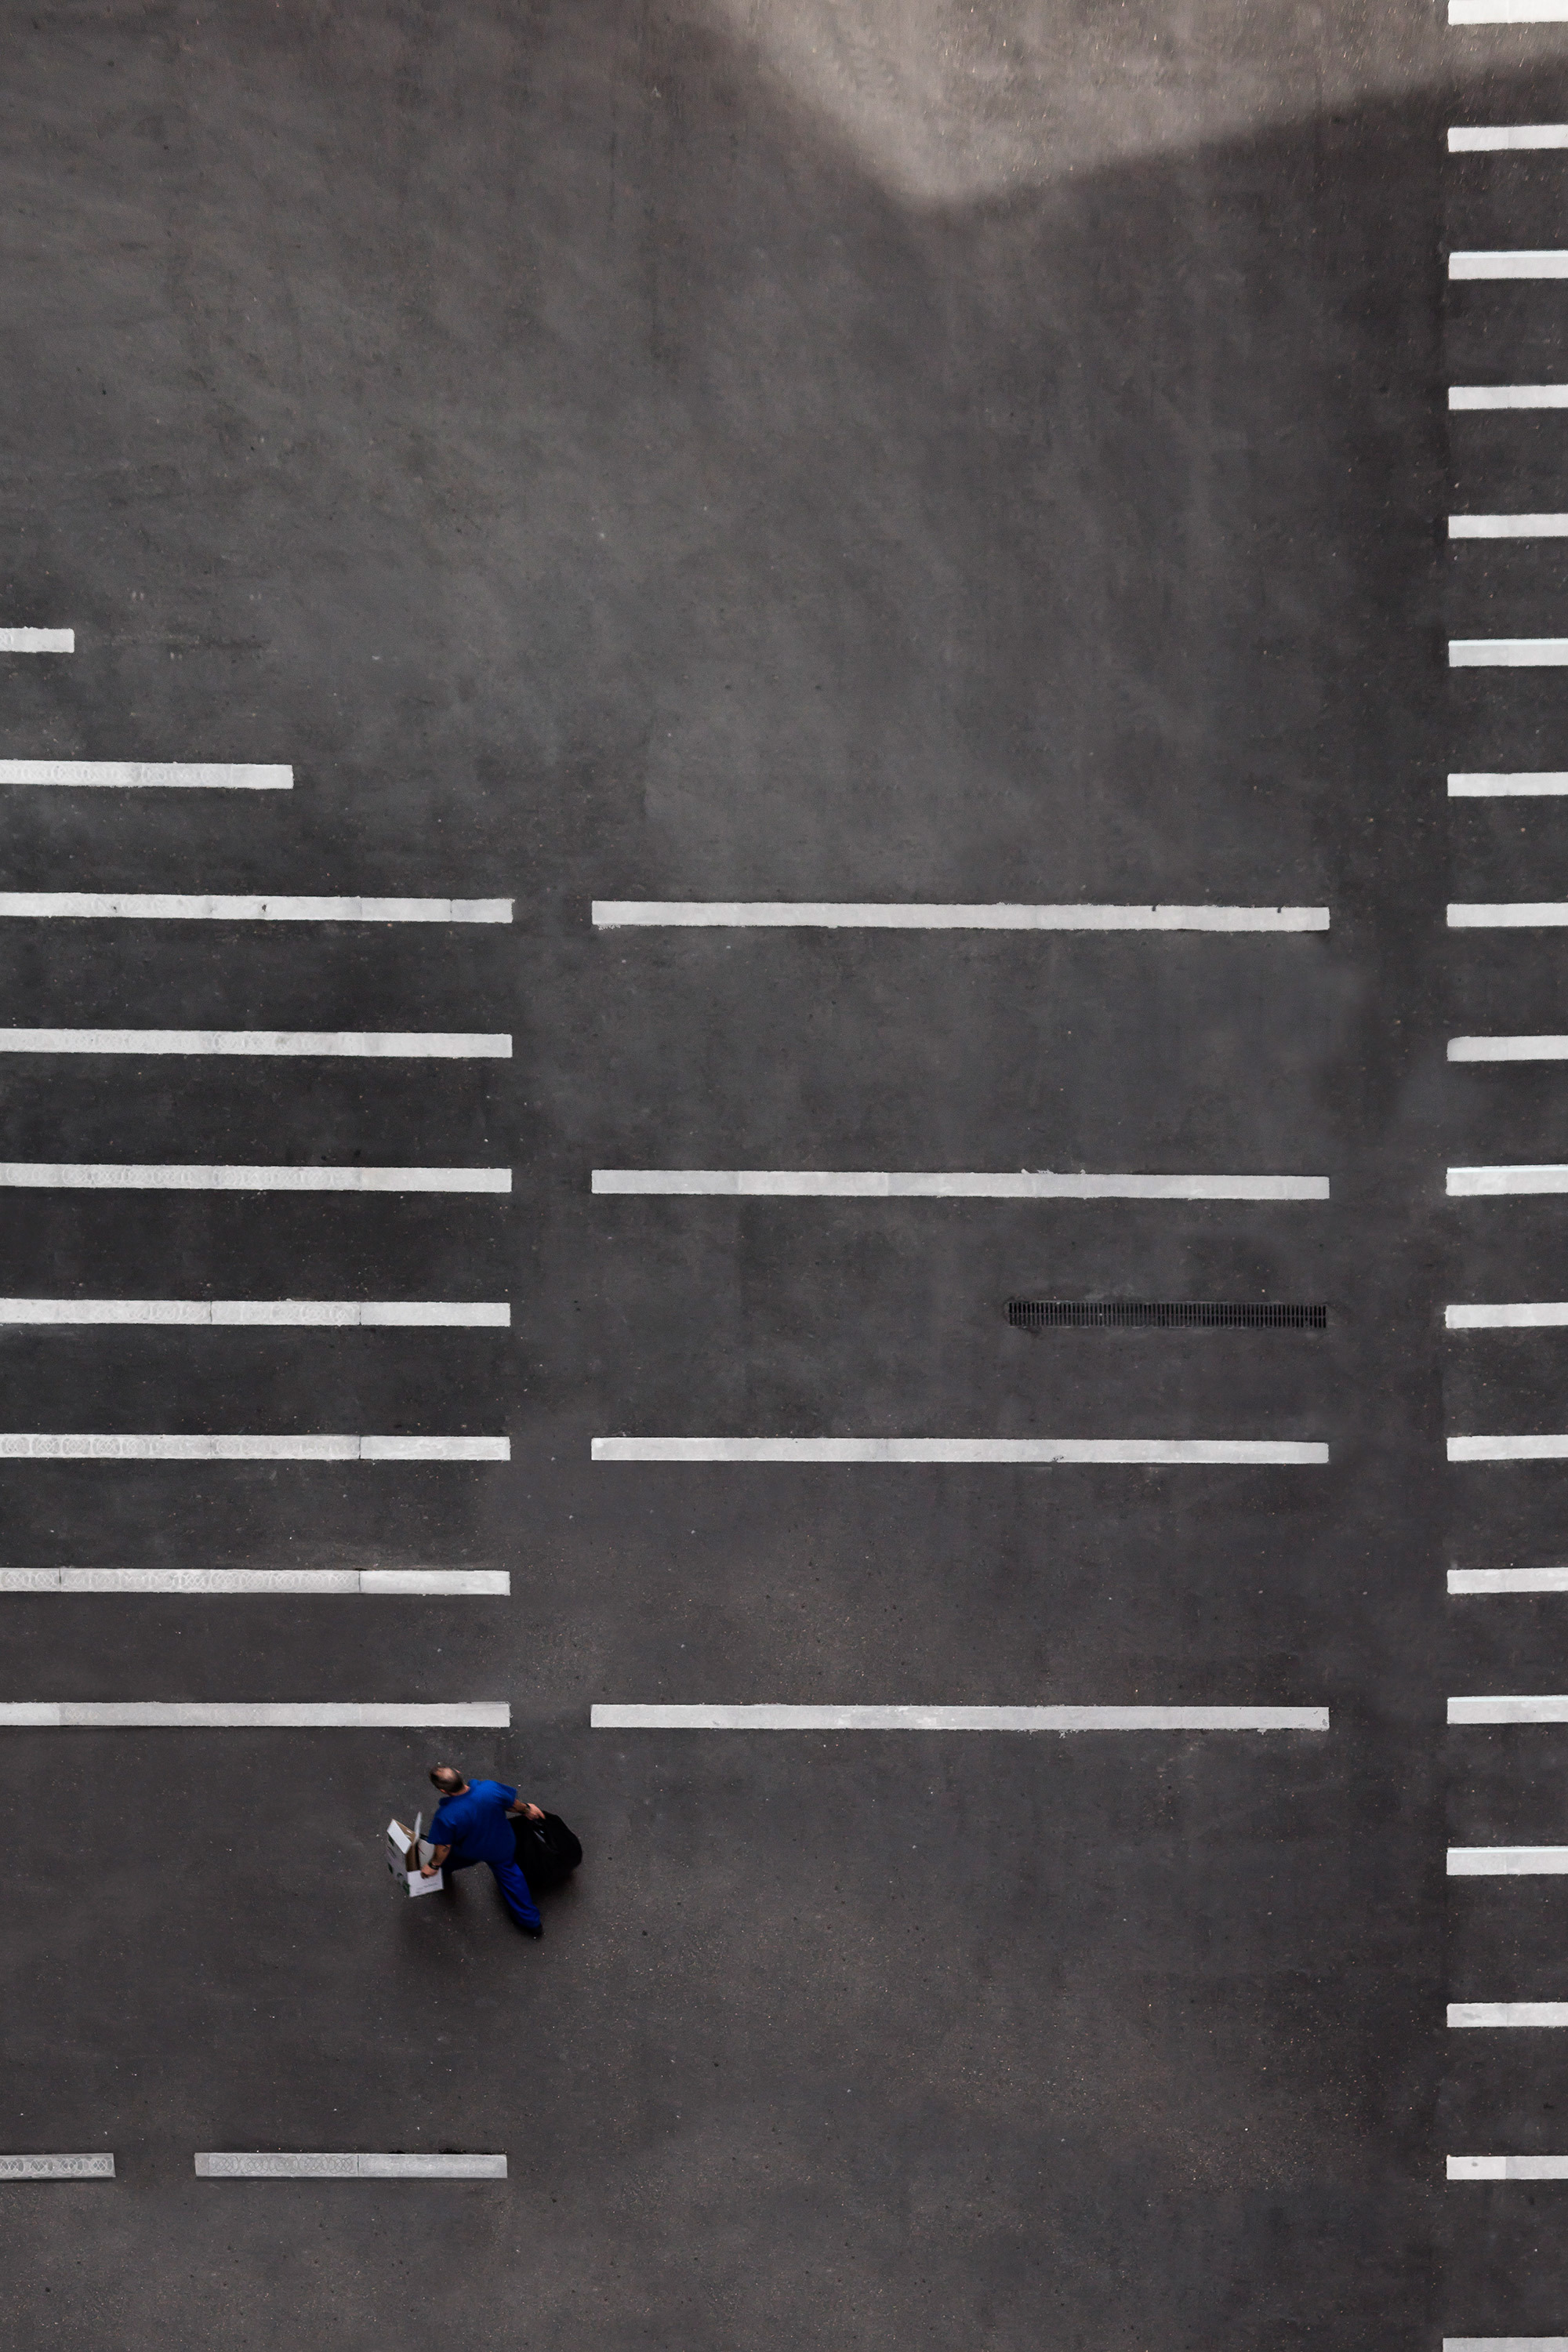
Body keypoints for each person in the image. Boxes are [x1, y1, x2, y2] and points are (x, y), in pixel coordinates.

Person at [421, 1765, 543, 1938]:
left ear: (442, 1790)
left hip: (471, 1851)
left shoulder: (446, 1815)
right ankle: (531, 1922)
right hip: (502, 1844)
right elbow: (512, 1805)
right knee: (512, 1878)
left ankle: (441, 1873)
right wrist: (528, 1810)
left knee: (450, 1859)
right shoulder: (489, 1789)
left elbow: (444, 1847)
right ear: (459, 1773)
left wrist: (433, 1866)